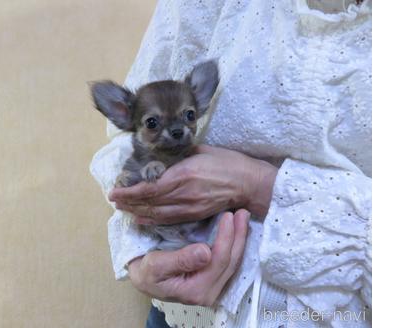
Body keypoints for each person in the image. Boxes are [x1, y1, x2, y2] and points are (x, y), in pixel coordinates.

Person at [90, 0, 372, 327]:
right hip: (186, 316)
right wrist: (140, 258)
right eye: (154, 123)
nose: (177, 130)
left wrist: (257, 185)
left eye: (189, 116)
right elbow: (123, 150)